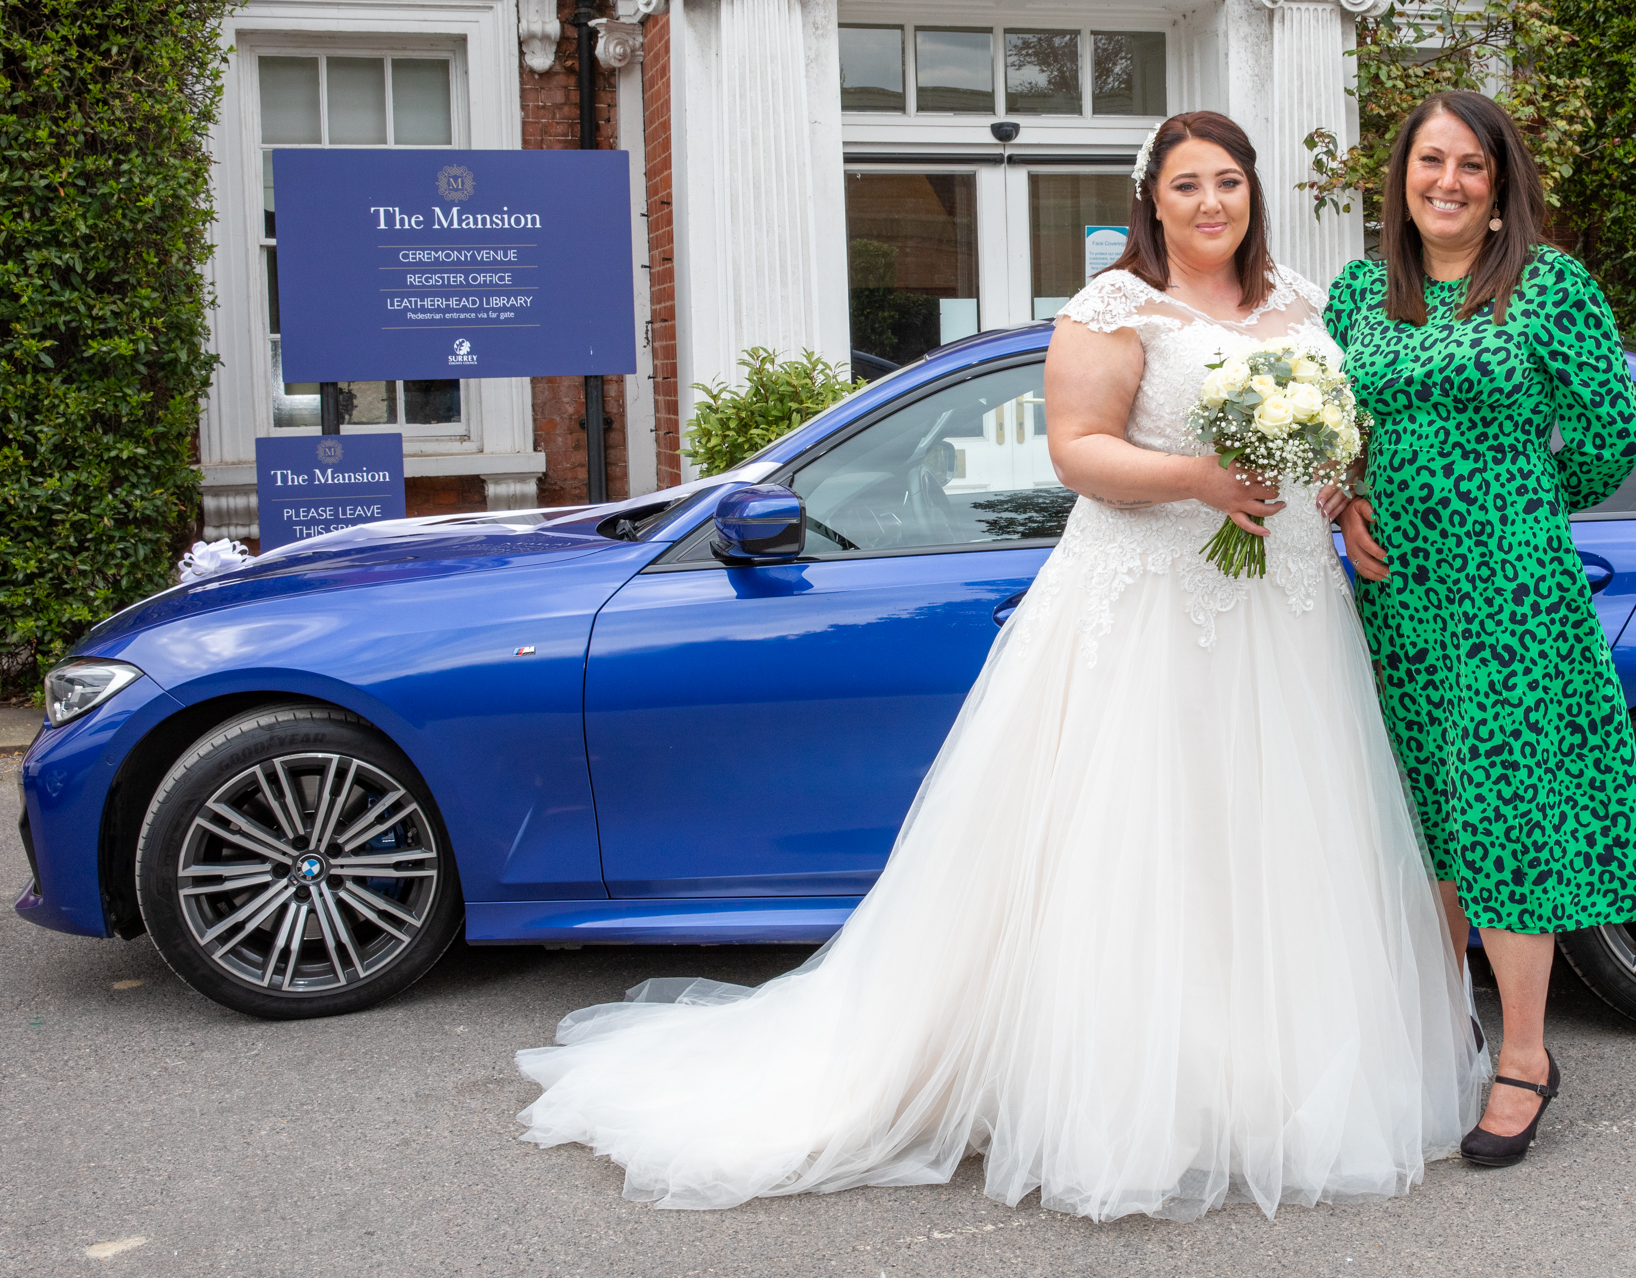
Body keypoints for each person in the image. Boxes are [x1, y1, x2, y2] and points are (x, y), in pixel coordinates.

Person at [515, 111, 1482, 1220]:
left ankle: (1273, 1086)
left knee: (1278, 837)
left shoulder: (1304, 303)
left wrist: (1335, 487)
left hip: (1290, 611)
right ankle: (1137, 1092)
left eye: (1227, 181)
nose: (1211, 202)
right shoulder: (1114, 307)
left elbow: (1345, 432)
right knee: (1145, 842)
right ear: (1151, 200)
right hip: (1153, 611)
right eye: (1186, 185)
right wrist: (1201, 479)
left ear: (1252, 191)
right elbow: (1078, 452)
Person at [1321, 90, 1636, 1169]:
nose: (1450, 182)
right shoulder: (1358, 293)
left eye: (1472, 164)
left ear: (1501, 182)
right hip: (1398, 600)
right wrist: (1349, 497)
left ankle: (1524, 1055)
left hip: (1511, 600)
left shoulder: (1550, 286)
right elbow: (1337, 428)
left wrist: (1519, 505)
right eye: (1432, 161)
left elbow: (1612, 436)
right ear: (1402, 178)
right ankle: (1444, 1041)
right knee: (1427, 819)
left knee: (1507, 817)